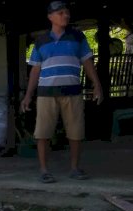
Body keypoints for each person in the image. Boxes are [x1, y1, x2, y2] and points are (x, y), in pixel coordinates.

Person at [20, 1, 103, 184]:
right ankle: (44, 170)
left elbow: (87, 62)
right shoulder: (41, 41)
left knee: (75, 132)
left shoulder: (77, 37)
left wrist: (97, 85)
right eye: (60, 13)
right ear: (50, 17)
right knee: (43, 133)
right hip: (46, 94)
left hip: (72, 92)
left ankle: (74, 168)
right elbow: (35, 70)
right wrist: (28, 96)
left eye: (66, 12)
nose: (65, 16)